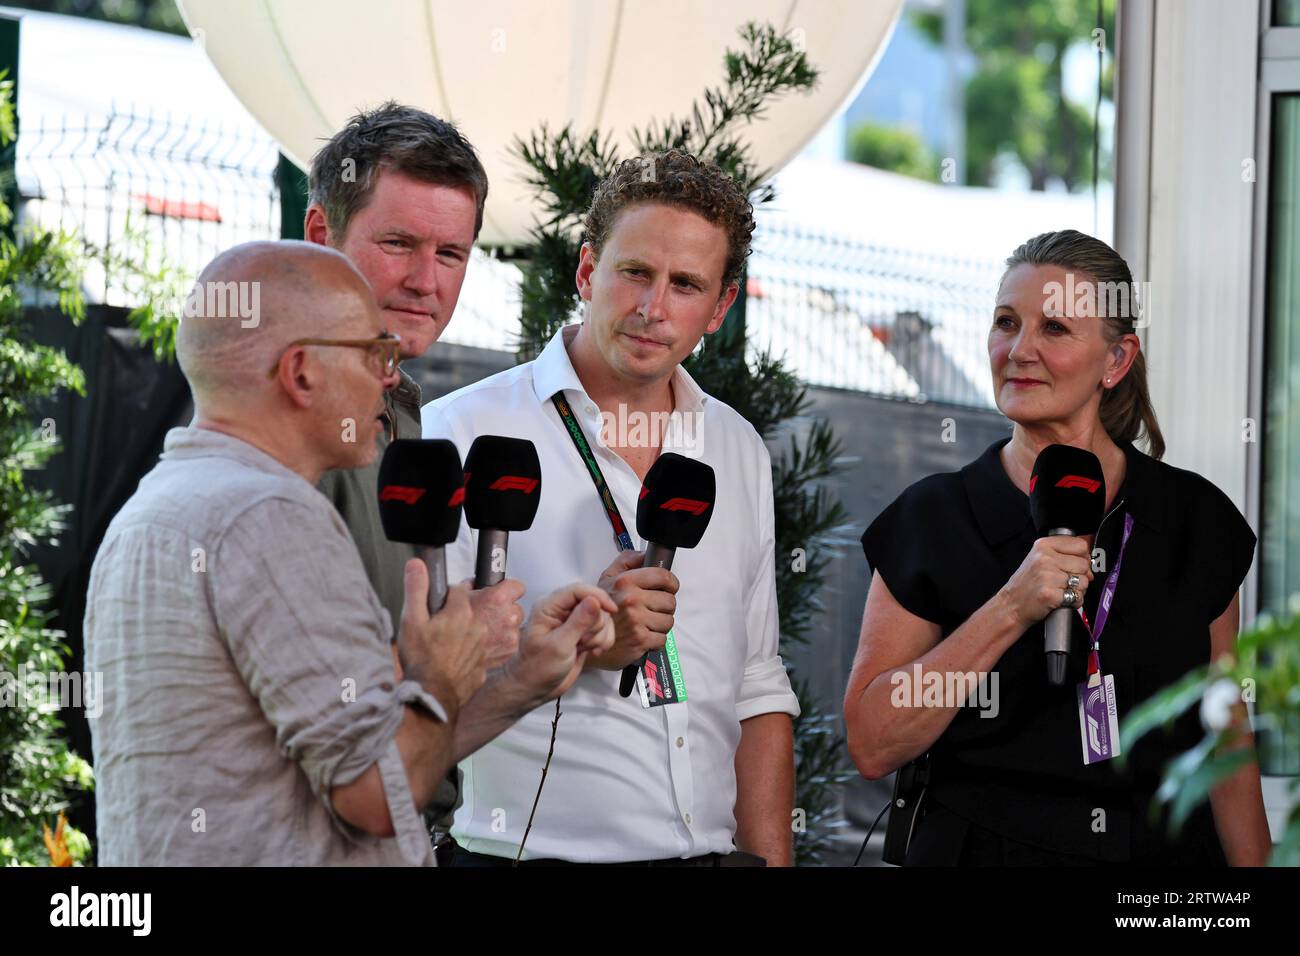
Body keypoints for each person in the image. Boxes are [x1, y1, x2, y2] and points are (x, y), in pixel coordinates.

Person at [83, 241, 614, 865]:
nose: (390, 376)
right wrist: (438, 672)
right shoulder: (269, 517)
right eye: (374, 352)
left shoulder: (159, 505)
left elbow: (376, 759)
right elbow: (376, 795)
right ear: (301, 371)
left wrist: (518, 679)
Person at [845, 229, 1272, 866]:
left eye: (1054, 329)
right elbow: (874, 743)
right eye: (1006, 322)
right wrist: (1009, 610)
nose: (1019, 350)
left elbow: (1225, 735)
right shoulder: (934, 517)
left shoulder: (1193, 520)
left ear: (1117, 360)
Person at [422, 149, 799, 866]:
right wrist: (571, 648)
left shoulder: (737, 447)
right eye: (636, 273)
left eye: (686, 284)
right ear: (588, 272)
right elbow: (406, 691)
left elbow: (757, 681)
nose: (654, 308)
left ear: (720, 307)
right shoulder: (459, 433)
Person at [305, 103, 567, 834]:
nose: (426, 281)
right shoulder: (287, 417)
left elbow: (410, 723)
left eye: (450, 254)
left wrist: (517, 677)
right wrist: (446, 659)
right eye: (398, 243)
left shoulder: (408, 415)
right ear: (322, 234)